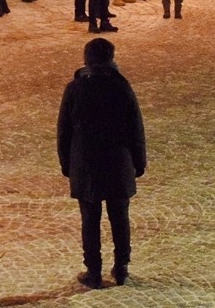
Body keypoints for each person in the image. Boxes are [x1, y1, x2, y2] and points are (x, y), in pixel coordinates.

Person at [57, 38, 146, 289]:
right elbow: (135, 128)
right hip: (118, 164)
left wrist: (67, 164)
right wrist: (139, 163)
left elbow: (63, 131)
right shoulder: (121, 87)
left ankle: (93, 272)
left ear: (87, 59)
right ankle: (121, 268)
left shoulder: (74, 88)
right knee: (120, 218)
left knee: (90, 220)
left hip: (86, 166)